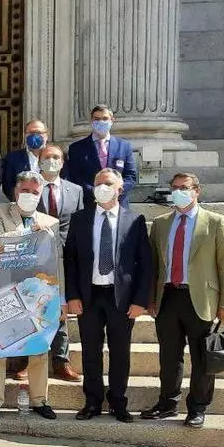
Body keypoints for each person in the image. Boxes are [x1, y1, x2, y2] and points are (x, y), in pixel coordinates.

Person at [141, 172, 224, 429]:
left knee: (202, 357)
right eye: (175, 188)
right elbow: (154, 265)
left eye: (184, 187)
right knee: (169, 356)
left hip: (202, 299)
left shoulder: (215, 222)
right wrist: (151, 299)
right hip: (168, 296)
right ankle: (167, 403)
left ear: (197, 191)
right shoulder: (161, 223)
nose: (179, 192)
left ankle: (197, 408)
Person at [63, 168, 153, 423]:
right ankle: (92, 402)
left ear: (120, 189)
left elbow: (145, 264)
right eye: (98, 183)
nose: (102, 188)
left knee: (120, 353)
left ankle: (118, 402)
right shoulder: (80, 219)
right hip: (89, 296)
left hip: (120, 298)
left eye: (108, 184)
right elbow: (70, 260)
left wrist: (140, 301)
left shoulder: (134, 220)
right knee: (90, 352)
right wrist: (72, 295)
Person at [0, 171, 60, 420]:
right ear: (16, 191)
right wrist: (30, 234)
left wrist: (60, 296)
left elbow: (56, 260)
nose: (29, 195)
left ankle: (40, 400)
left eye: (34, 192)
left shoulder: (50, 222)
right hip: (3, 288)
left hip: (38, 291)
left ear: (41, 194)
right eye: (25, 190)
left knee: (39, 348)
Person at [36, 144, 84, 382]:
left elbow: (79, 223)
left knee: (60, 306)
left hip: (65, 255)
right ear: (39, 161)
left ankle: (61, 360)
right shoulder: (30, 187)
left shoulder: (75, 190)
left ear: (63, 162)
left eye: (56, 157)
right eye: (47, 157)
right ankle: (27, 360)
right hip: (35, 254)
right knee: (34, 304)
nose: (51, 161)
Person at [66, 104, 137, 207]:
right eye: (97, 119)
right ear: (91, 121)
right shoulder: (76, 148)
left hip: (118, 204)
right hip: (89, 204)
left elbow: (130, 176)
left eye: (105, 119)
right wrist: (95, 192)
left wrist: (115, 192)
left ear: (112, 120)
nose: (101, 122)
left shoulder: (124, 146)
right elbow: (75, 177)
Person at [1, 119, 50, 202]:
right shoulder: (12, 158)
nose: (35, 136)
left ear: (46, 135)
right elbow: (8, 186)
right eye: (31, 133)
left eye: (39, 133)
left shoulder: (55, 157)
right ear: (25, 136)